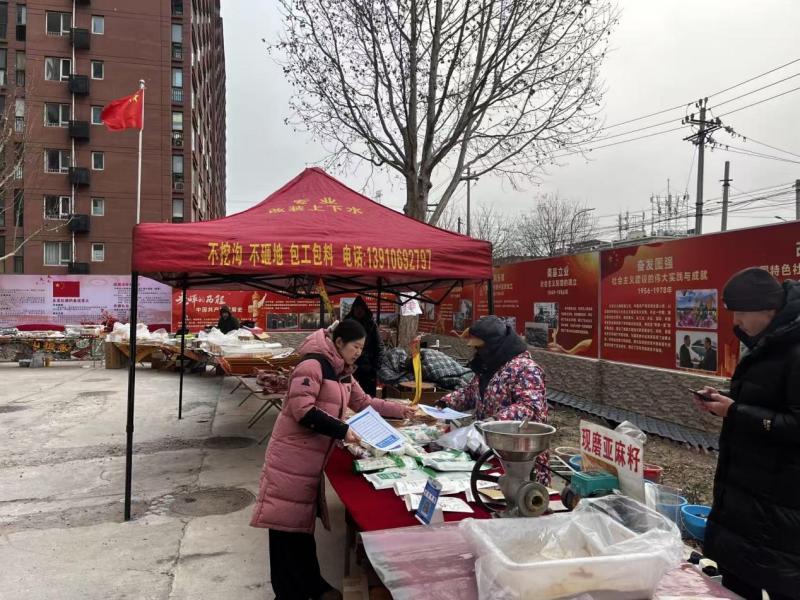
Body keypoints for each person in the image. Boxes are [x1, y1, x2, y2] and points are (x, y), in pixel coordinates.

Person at [250, 320, 415, 600]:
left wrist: (401, 410)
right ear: (339, 343)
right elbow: (302, 411)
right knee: (284, 528)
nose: (358, 353)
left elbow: (364, 403)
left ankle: (312, 584)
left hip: (310, 459)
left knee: (301, 526)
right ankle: (288, 592)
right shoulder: (312, 365)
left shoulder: (342, 372)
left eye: (362, 348)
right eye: (355, 347)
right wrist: (343, 430)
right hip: (291, 457)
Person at [692, 267, 800, 600]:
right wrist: (725, 401)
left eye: (740, 313)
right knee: (737, 584)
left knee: (781, 585)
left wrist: (735, 411)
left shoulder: (795, 350)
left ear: (767, 309)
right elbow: (766, 400)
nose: (736, 322)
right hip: (748, 497)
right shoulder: (768, 342)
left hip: (781, 506)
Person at [437, 315, 550, 485]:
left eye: (480, 347)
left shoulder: (525, 368)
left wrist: (494, 422)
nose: (477, 352)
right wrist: (445, 402)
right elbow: (471, 393)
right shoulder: (488, 365)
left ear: (494, 345)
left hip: (521, 459)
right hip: (489, 450)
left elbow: (530, 408)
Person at [343, 296, 383, 396]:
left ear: (365, 310)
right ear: (353, 309)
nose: (359, 311)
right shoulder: (347, 324)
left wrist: (375, 368)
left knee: (368, 398)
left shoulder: (371, 325)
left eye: (361, 308)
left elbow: (379, 346)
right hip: (350, 367)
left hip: (368, 368)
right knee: (349, 396)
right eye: (356, 308)